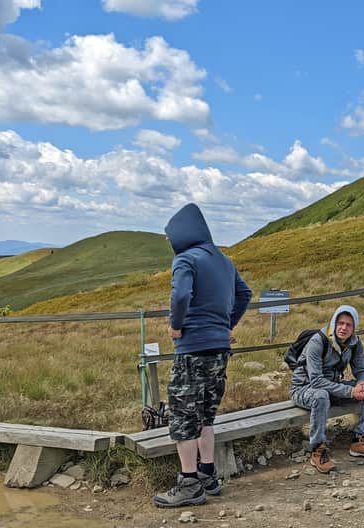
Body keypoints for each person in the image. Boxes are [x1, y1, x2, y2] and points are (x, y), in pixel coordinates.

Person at [153, 203, 252, 508]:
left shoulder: (185, 259)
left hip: (192, 349)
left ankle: (188, 485)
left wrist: (175, 325)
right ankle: (208, 475)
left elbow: (181, 295)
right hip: (220, 349)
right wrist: (225, 325)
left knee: (183, 417)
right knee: (206, 414)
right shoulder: (224, 261)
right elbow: (245, 294)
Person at [290, 305, 364, 473]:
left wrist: (362, 384)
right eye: (340, 323)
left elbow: (362, 370)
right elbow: (316, 381)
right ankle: (317, 448)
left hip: (331, 388)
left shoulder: (354, 343)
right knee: (321, 396)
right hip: (304, 389)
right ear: (334, 323)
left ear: (354, 327)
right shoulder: (318, 341)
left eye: (349, 324)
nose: (344, 328)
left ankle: (359, 441)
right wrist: (350, 392)